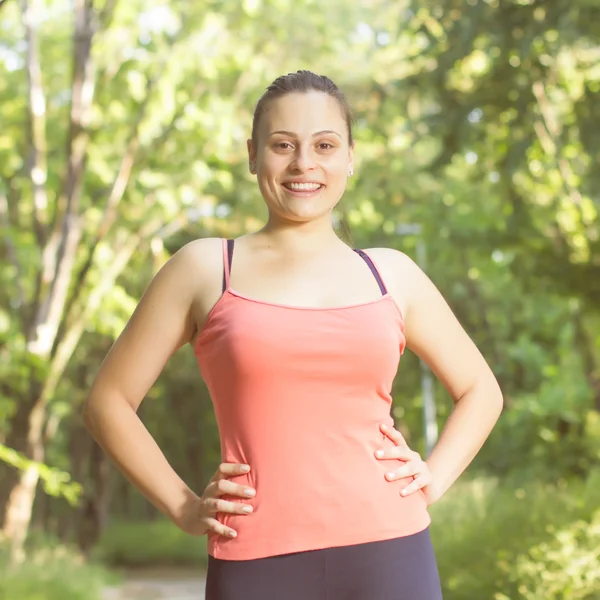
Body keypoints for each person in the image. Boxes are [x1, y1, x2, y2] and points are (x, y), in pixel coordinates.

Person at [83, 70, 503, 599]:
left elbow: (481, 391)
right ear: (253, 154)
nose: (304, 163)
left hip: (391, 551)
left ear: (350, 156)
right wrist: (184, 506)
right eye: (283, 145)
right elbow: (107, 402)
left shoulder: (392, 274)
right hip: (255, 557)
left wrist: (432, 478)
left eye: (324, 145)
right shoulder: (206, 268)